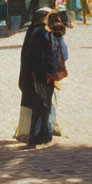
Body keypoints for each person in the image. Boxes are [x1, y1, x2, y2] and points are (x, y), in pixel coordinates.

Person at [16, 8, 58, 148]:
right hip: (40, 77)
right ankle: (38, 137)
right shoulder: (42, 33)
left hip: (31, 76)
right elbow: (43, 57)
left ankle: (40, 135)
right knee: (42, 106)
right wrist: (47, 75)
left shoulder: (31, 32)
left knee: (38, 107)